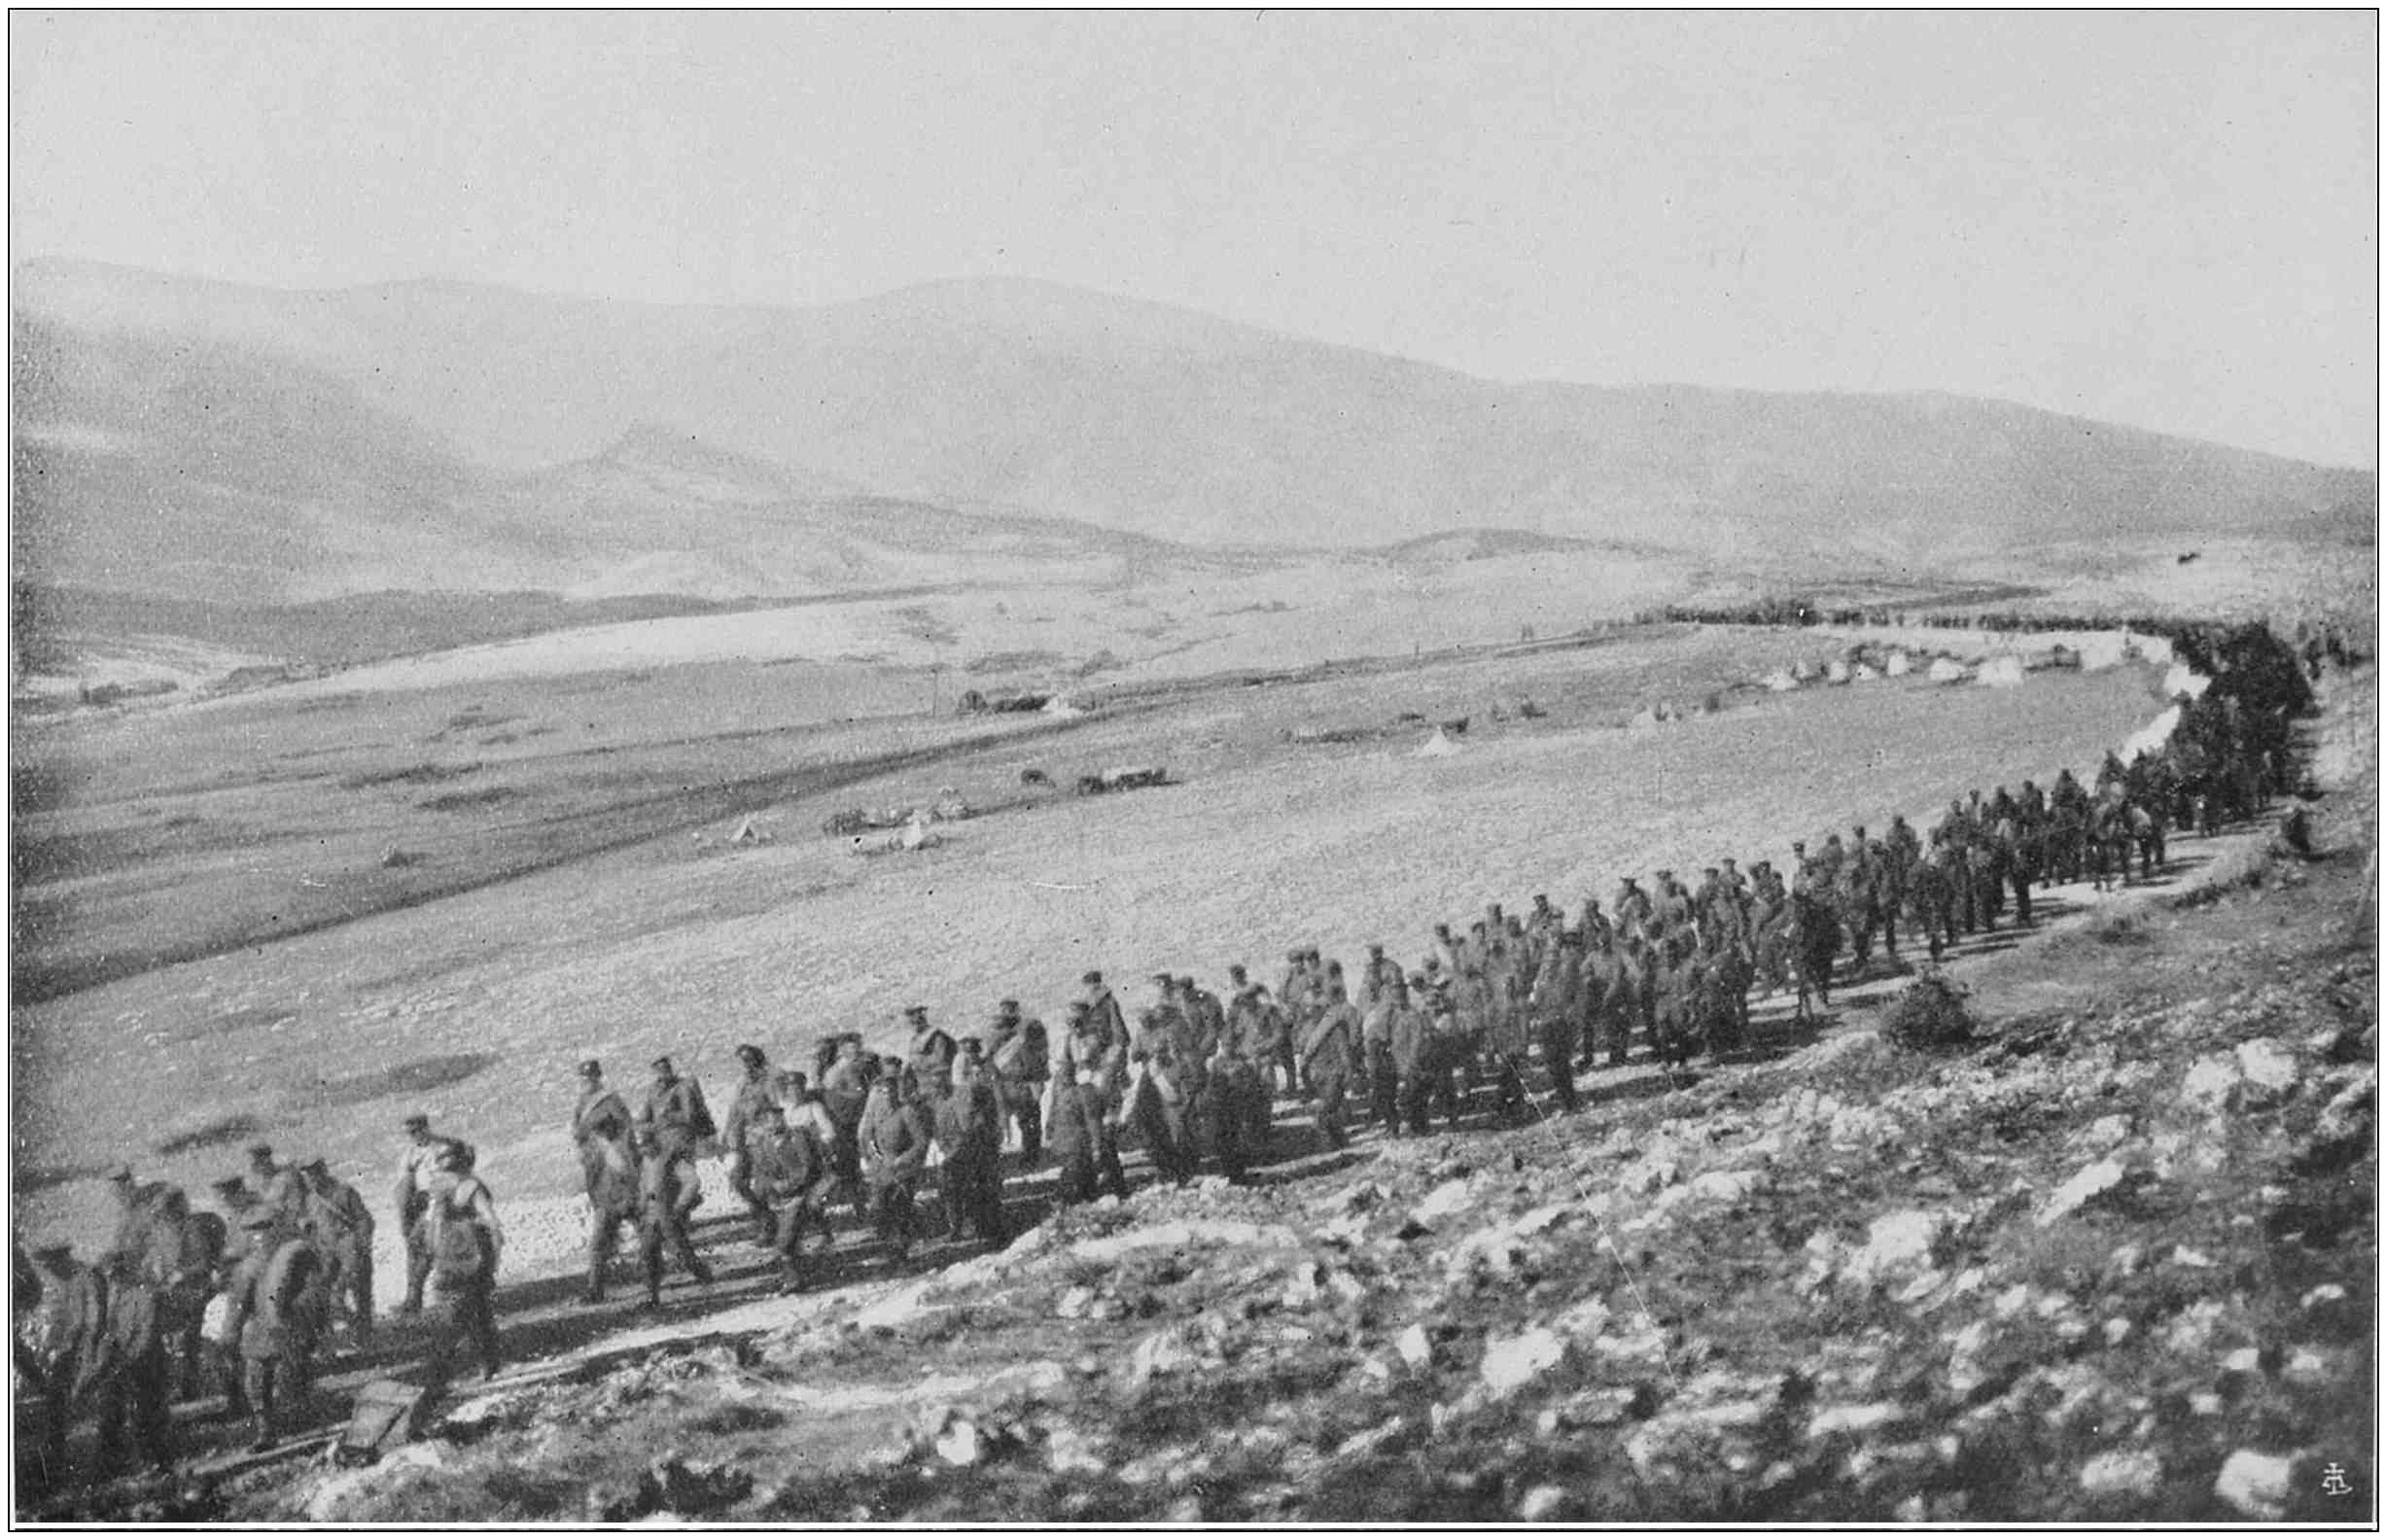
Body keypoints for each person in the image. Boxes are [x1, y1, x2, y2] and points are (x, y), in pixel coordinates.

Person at [223, 1209, 323, 1452]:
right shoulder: (298, 1255)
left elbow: (237, 1309)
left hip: (260, 1334)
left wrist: (229, 1337)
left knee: (258, 1385)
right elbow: (315, 1293)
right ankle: (302, 1421)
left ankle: (267, 1433)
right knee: (294, 1379)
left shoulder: (247, 1268)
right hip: (293, 1330)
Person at [416, 1143, 503, 1388]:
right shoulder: (467, 1186)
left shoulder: (443, 1188)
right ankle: (487, 1364)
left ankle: (444, 1375)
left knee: (454, 1317)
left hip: (452, 1260)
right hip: (467, 1259)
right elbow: (492, 1223)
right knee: (478, 1313)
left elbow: (429, 1231)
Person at [745, 1102, 835, 1293]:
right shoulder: (763, 1145)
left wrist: (788, 1185)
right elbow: (760, 1173)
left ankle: (795, 1280)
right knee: (785, 1242)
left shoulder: (797, 1138)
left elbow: (808, 1168)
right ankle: (795, 1276)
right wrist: (770, 1187)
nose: (772, 1124)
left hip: (802, 1194)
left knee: (785, 1241)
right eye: (766, 1122)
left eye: (775, 1119)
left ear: (782, 1119)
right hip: (778, 1200)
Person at [296, 1158, 376, 1349]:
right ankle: (347, 1327)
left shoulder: (344, 1191)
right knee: (325, 1294)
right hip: (327, 1250)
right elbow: (311, 1226)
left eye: (314, 1173)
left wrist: (360, 1245)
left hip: (350, 1246)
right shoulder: (310, 1199)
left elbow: (364, 1220)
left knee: (359, 1291)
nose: (311, 1179)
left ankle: (364, 1332)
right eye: (307, 1175)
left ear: (323, 1171)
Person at [933, 1055, 1011, 1245]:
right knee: (958, 1189)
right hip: (960, 1150)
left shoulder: (977, 1093)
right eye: (974, 1073)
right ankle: (964, 1228)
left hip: (977, 1148)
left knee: (983, 1189)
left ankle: (989, 1230)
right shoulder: (951, 1097)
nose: (978, 1076)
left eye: (980, 1073)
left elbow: (980, 1123)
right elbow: (945, 1126)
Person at [633, 1125, 712, 1310]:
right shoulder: (645, 1161)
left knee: (680, 1251)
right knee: (648, 1252)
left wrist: (679, 1206)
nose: (643, 1149)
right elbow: (644, 1185)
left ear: (654, 1142)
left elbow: (692, 1182)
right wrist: (640, 1207)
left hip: (668, 1213)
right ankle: (652, 1295)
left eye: (645, 1144)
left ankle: (703, 1274)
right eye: (640, 1146)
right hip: (651, 1214)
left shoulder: (671, 1159)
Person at [860, 1069, 933, 1269]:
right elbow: (868, 1137)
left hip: (903, 1169)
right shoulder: (876, 1113)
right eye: (882, 1092)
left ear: (896, 1092)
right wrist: (873, 1157)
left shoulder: (906, 1112)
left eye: (890, 1091)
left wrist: (902, 1159)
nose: (887, 1096)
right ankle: (891, 1247)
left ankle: (901, 1253)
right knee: (880, 1208)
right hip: (881, 1168)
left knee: (900, 1209)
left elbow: (921, 1142)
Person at [391, 1113, 455, 1316]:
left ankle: (415, 1299)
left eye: (415, 1132)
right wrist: (405, 1217)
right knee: (413, 1248)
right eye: (409, 1133)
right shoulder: (410, 1153)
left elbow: (446, 1181)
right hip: (419, 1205)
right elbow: (403, 1184)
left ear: (425, 1128)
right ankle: (413, 1298)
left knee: (427, 1248)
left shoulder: (442, 1148)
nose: (412, 1136)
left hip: (441, 1202)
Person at [720, 1044, 783, 1242]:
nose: (746, 1065)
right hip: (746, 1139)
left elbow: (778, 1108)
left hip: (765, 1138)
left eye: (749, 1060)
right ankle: (766, 1217)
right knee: (738, 1181)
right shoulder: (742, 1083)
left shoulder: (771, 1079)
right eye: (743, 1062)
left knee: (763, 1185)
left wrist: (771, 1132)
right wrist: (726, 1135)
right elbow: (734, 1110)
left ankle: (769, 1228)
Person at [1300, 981, 1360, 1150]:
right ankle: (1339, 1140)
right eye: (1310, 1009)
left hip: (1334, 1074)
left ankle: (1327, 1141)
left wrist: (1348, 1074)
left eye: (1316, 1009)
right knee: (1330, 1110)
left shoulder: (1336, 1030)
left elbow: (1344, 1054)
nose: (1312, 1012)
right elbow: (1302, 1049)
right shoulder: (1308, 1029)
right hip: (1318, 1075)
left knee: (1326, 1109)